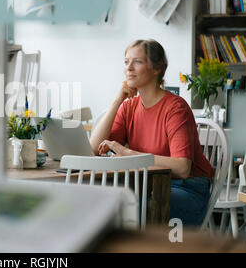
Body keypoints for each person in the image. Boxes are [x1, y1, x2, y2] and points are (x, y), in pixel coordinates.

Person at [89, 39, 213, 227]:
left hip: (185, 188)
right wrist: (117, 100)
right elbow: (94, 148)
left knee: (131, 206)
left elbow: (182, 168)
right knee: (101, 199)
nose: (129, 68)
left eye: (137, 62)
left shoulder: (175, 108)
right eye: (126, 62)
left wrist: (128, 153)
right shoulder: (129, 106)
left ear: (157, 69)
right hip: (146, 185)